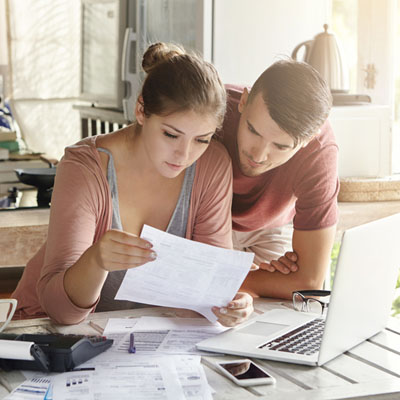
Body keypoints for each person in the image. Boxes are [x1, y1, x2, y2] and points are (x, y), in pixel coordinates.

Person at [12, 42, 253, 327]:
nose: (184, 155)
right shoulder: (84, 167)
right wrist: (96, 261)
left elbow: (204, 293)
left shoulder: (212, 164)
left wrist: (230, 304)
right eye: (171, 135)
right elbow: (61, 313)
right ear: (141, 110)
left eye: (201, 139)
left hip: (136, 340)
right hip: (44, 333)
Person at [220, 60, 339, 299]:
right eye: (253, 130)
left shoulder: (320, 152)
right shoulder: (212, 109)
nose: (258, 155)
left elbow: (309, 283)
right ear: (243, 101)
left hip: (269, 228)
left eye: (281, 146)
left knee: (281, 314)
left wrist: (224, 278)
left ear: (309, 139)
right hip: (204, 223)